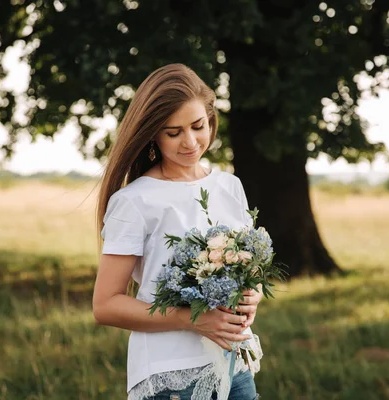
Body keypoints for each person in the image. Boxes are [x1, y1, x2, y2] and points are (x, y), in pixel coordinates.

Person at [93, 63, 263, 400]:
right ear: (152, 133)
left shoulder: (230, 186)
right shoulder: (134, 200)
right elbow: (106, 305)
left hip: (234, 363)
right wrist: (191, 320)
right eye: (173, 132)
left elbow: (249, 268)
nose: (190, 142)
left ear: (210, 119)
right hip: (170, 373)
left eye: (198, 126)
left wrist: (252, 294)